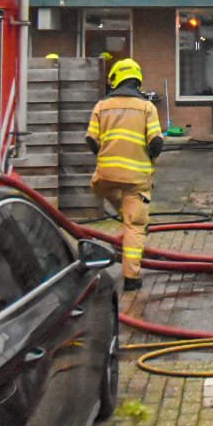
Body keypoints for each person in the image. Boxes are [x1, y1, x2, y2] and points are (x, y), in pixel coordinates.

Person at [86, 57, 164, 291]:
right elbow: (157, 142)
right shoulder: (147, 108)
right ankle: (132, 279)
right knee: (134, 226)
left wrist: (105, 156)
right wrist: (150, 158)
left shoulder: (101, 106)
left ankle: (126, 212)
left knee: (104, 188)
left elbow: (91, 139)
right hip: (136, 179)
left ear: (116, 80)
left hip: (105, 176)